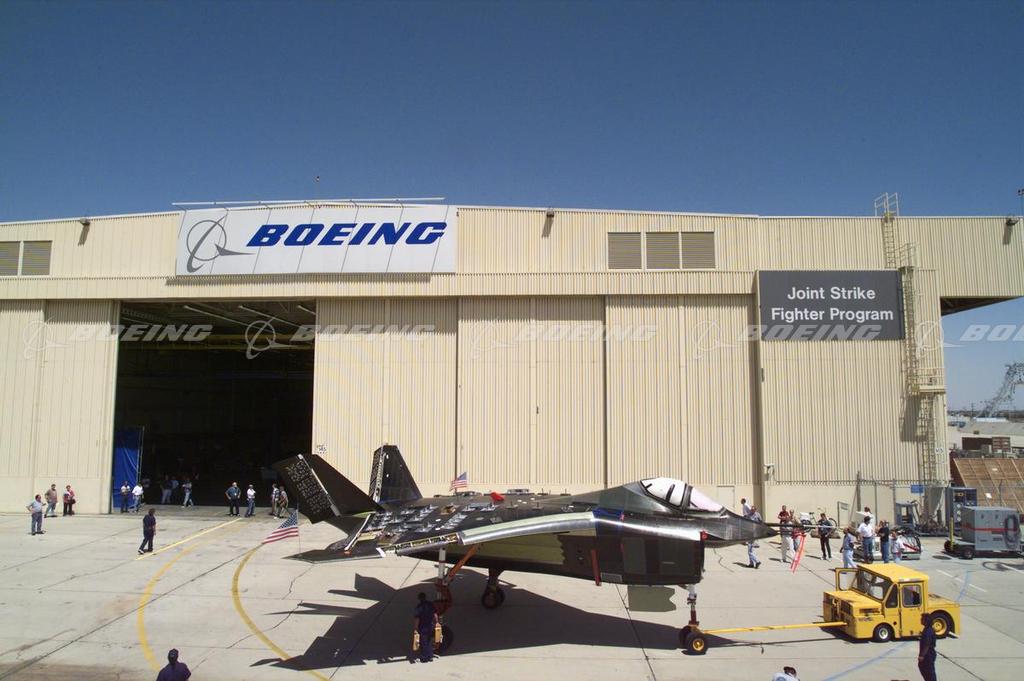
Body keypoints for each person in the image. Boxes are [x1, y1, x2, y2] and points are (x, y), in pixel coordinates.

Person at [413, 592, 438, 662]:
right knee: (429, 640)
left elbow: (417, 619)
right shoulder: (431, 604)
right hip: (430, 625)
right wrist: (437, 623)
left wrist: (415, 628)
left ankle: (424, 657)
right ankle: (430, 656)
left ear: (419, 598)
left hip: (422, 626)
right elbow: (435, 614)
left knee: (423, 642)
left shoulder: (419, 607)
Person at [918, 613, 937, 681]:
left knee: (929, 672)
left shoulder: (928, 631)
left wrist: (922, 655)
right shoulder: (927, 629)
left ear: (926, 621)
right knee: (924, 669)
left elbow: (927, 644)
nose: (920, 620)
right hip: (928, 654)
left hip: (928, 654)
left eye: (922, 619)